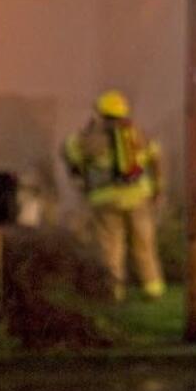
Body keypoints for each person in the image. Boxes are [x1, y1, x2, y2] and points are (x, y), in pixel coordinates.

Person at [62, 90, 166, 301]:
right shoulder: (139, 135)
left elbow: (68, 152)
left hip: (105, 199)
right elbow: (157, 159)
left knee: (111, 246)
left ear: (100, 112)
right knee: (144, 244)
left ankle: (115, 292)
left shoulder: (88, 139)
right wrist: (158, 190)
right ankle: (153, 289)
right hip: (138, 197)